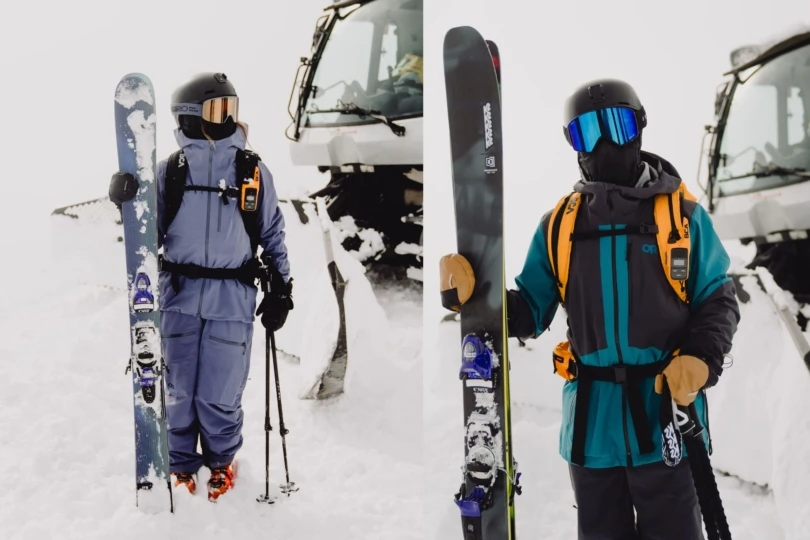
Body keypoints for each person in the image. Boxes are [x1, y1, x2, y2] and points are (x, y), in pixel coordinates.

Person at [440, 79, 740, 539]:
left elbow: (718, 298)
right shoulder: (560, 225)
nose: (603, 144)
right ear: (573, 144)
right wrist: (477, 296)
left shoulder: (681, 217)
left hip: (666, 424)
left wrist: (701, 356)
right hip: (591, 434)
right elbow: (530, 312)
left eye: (615, 125)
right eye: (586, 132)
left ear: (638, 129)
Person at [110, 72, 293, 502]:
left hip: (232, 297)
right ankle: (180, 465)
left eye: (231, 108)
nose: (227, 118)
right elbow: (143, 234)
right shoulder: (168, 172)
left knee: (220, 391)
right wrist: (125, 199)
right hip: (178, 295)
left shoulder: (252, 171)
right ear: (190, 117)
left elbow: (273, 234)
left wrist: (282, 288)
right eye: (217, 110)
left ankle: (221, 462)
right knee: (177, 391)